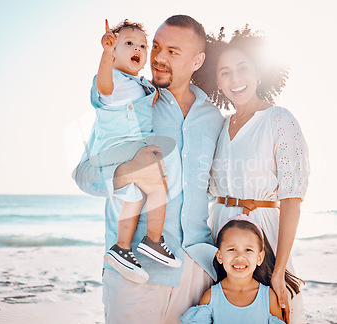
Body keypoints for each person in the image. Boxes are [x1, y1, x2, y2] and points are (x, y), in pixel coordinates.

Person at [73, 15, 224, 323]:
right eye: (155, 47)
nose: (157, 57)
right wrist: (129, 171)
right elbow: (83, 174)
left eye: (173, 51)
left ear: (198, 60)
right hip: (134, 274)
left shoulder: (214, 119)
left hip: (198, 270)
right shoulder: (130, 105)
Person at [192, 26, 310, 323]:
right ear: (216, 81)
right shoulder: (218, 126)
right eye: (225, 72)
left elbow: (292, 200)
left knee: (272, 312)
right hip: (221, 238)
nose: (236, 80)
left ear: (259, 72)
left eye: (243, 69)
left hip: (264, 238)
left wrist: (280, 269)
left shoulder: (279, 120)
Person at [88, 19, 181, 284]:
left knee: (135, 197)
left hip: (131, 151)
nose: (137, 48)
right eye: (128, 43)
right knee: (159, 188)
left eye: (142, 45)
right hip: (119, 150)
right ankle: (153, 240)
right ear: (114, 50)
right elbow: (104, 87)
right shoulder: (112, 79)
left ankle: (122, 248)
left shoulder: (137, 83)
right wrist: (105, 55)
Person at [180, 215, 302, 323]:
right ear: (220, 256)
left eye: (248, 250)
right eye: (232, 249)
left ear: (259, 258)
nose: (239, 256)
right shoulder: (211, 297)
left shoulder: (269, 298)